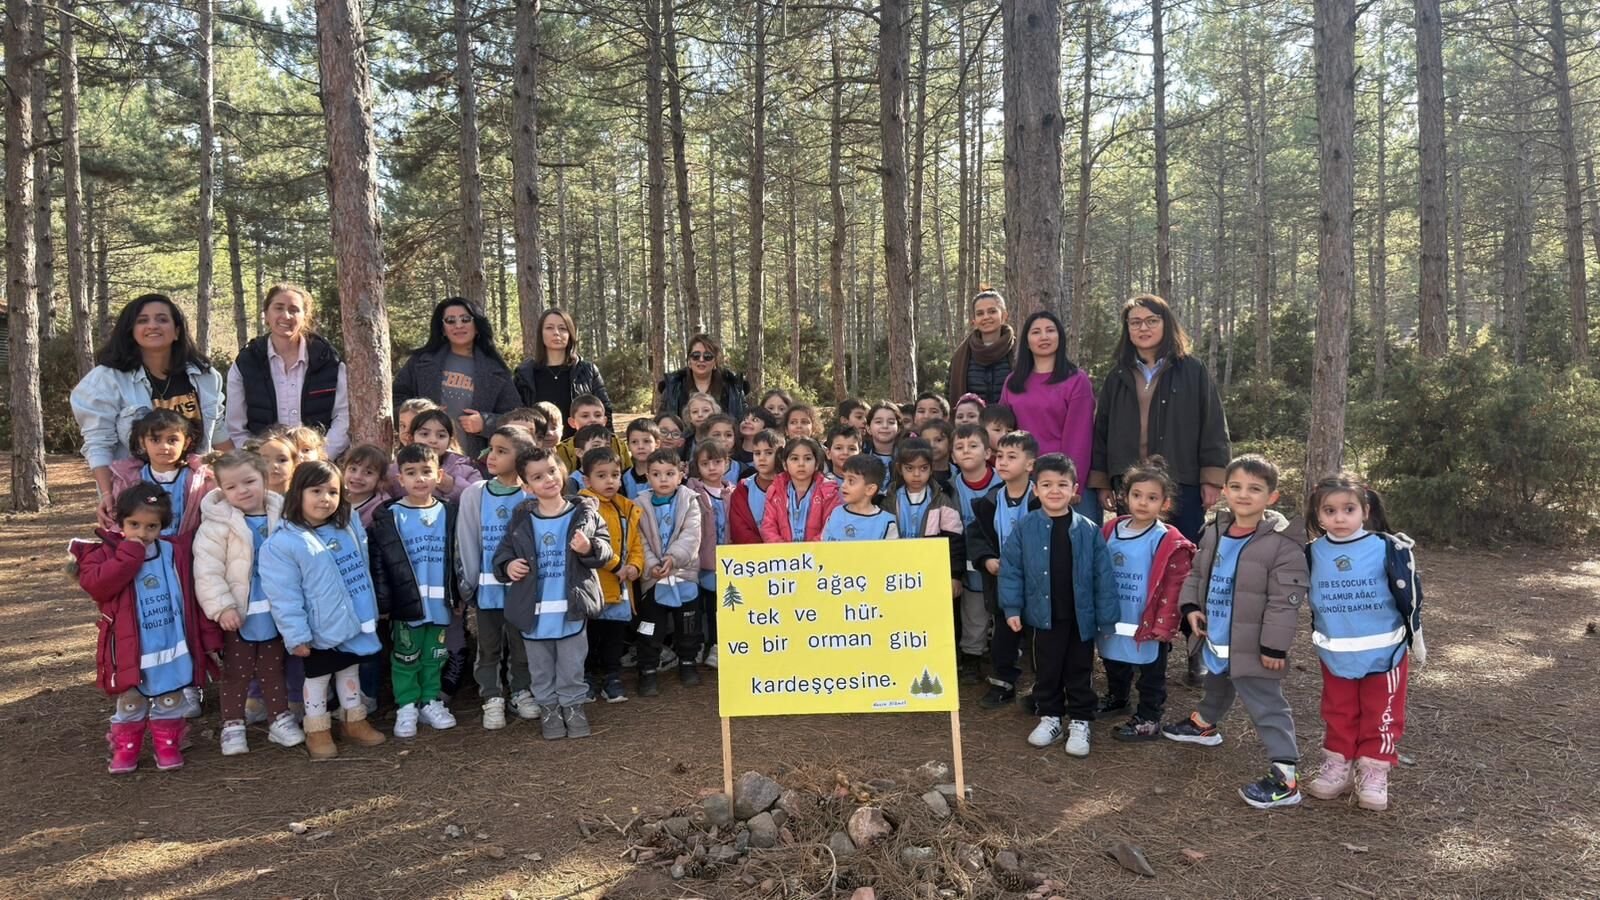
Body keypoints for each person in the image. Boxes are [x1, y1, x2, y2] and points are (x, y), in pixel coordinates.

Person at [1162, 454, 1308, 810]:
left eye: (1255, 489)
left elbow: (1283, 603)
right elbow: (1197, 574)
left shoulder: (1282, 543)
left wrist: (1273, 647)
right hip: (1218, 633)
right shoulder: (1215, 530)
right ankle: (1204, 724)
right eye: (1237, 487)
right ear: (1225, 490)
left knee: (1266, 704)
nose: (1245, 495)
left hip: (1254, 642)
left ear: (1271, 497)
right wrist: (1192, 607)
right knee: (1218, 677)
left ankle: (1286, 775)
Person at [73, 483, 223, 773]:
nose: (143, 532)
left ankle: (167, 743)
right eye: (134, 524)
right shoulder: (104, 554)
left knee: (170, 697)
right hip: (131, 649)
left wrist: (208, 638)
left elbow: (193, 598)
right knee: (131, 701)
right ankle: (125, 749)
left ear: (162, 526)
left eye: (151, 526)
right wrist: (128, 556)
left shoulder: (173, 552)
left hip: (171, 645)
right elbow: (97, 587)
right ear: (121, 522)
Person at [1302, 474, 1424, 812]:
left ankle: (1373, 770)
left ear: (1365, 510)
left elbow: (1410, 594)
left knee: (1381, 714)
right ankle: (1338, 768)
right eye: (1329, 510)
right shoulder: (1310, 554)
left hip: (1385, 655)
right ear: (1318, 514)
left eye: (1348, 509)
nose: (1339, 518)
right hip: (1336, 654)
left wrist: (1416, 637)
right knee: (1338, 712)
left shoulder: (1387, 547)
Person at [259, 461, 389, 760]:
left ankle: (353, 720)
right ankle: (317, 728)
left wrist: (371, 608)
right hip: (319, 625)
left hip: (354, 619)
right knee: (318, 678)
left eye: (332, 491)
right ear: (297, 494)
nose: (325, 499)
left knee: (349, 668)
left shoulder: (346, 526)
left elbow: (363, 568)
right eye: (316, 491)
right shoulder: (283, 544)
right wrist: (297, 635)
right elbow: (284, 596)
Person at [73, 293, 232, 523]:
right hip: (137, 498)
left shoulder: (205, 376)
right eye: (142, 320)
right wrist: (107, 495)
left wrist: (241, 474)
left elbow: (218, 432)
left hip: (195, 494)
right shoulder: (106, 380)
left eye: (162, 319)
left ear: (177, 330)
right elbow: (98, 444)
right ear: (130, 330)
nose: (153, 326)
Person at [998, 454, 1116, 759]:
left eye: (1062, 484)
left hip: (1080, 616)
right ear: (1035, 489)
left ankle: (1080, 720)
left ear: (1074, 489)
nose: (1054, 491)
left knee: (1080, 668)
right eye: (1047, 484)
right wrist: (1012, 608)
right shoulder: (1025, 528)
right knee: (1046, 669)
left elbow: (1103, 574)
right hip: (1042, 616)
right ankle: (1049, 716)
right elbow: (1012, 570)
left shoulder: (1089, 529)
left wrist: (1106, 616)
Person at [1089, 294, 1229, 544]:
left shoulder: (1192, 370)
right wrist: (1103, 481)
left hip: (1181, 479)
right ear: (1127, 329)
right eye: (1135, 322)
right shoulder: (1117, 375)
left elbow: (1213, 424)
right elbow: (1102, 430)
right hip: (1131, 484)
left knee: (1181, 552)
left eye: (1152, 321)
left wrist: (1211, 479)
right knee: (1136, 551)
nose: (1143, 328)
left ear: (1166, 324)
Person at [494, 446, 613, 739]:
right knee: (541, 668)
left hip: (571, 609)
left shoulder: (584, 513)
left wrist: (589, 548)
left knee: (572, 665)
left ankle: (573, 707)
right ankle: (548, 709)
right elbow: (501, 555)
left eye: (551, 470)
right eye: (537, 476)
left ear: (561, 470)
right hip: (534, 614)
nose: (548, 479)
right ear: (526, 485)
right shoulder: (521, 520)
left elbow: (606, 550)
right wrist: (509, 566)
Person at [193, 451, 305, 756]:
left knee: (273, 668)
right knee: (237, 672)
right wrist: (223, 607)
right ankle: (232, 725)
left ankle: (279, 720)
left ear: (265, 480)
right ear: (221, 490)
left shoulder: (284, 517)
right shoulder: (216, 526)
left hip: (274, 611)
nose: (241, 491)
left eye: (249, 482)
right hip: (239, 614)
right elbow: (207, 570)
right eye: (231, 487)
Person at [1097, 458, 1196, 743]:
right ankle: (1118, 697)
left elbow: (1176, 584)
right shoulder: (1110, 530)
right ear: (1124, 497)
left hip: (1150, 619)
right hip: (1116, 614)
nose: (1143, 503)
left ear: (1164, 504)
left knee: (1151, 672)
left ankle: (1149, 717)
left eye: (1152, 498)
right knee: (1113, 658)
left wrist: (1166, 623)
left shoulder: (1167, 540)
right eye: (1137, 495)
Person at [369, 445, 461, 739]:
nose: (419, 479)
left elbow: (457, 558)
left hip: (440, 604)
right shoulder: (391, 515)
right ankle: (406, 704)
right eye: (411, 473)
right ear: (400, 478)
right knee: (406, 655)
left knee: (435, 654)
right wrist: (384, 601)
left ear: (439, 475)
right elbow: (382, 563)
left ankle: (430, 701)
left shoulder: (448, 512)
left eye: (426, 472)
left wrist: (457, 595)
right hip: (407, 604)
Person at [457, 426, 542, 730]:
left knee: (522, 644)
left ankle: (520, 690)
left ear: (521, 458)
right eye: (491, 449)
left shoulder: (530, 493)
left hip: (522, 590)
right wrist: (469, 584)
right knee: (489, 647)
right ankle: (491, 697)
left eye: (502, 451)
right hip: (487, 590)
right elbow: (466, 540)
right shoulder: (475, 493)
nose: (491, 456)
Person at [226, 283, 351, 460]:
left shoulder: (327, 360)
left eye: (294, 309)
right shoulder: (247, 361)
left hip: (317, 466)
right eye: (278, 308)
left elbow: (343, 416)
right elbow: (236, 426)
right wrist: (260, 461)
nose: (286, 315)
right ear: (266, 315)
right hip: (265, 466)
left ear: (305, 317)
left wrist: (320, 458)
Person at [393, 297, 521, 460]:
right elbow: (396, 399)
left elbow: (516, 417)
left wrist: (485, 423)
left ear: (477, 326)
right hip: (423, 461)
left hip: (476, 463)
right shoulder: (420, 363)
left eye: (465, 319)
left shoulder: (496, 370)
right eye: (450, 321)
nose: (458, 325)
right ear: (443, 328)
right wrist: (417, 416)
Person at [1001, 310, 1098, 524]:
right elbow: (1003, 431)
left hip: (1065, 478)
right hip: (1025, 479)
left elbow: (1079, 436)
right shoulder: (1013, 382)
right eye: (1036, 332)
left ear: (1060, 337)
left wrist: (1072, 483)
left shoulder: (1076, 380)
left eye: (1050, 331)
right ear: (1026, 341)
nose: (1044, 337)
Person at [971, 431, 1039, 709]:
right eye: (1000, 455)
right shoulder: (990, 501)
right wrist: (987, 559)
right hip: (1003, 582)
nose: (1003, 462)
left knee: (1038, 638)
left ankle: (1043, 688)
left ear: (1030, 465)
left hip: (1037, 584)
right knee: (1003, 635)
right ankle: (1003, 683)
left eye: (1012, 457)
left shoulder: (1042, 498)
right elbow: (976, 536)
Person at [579, 446, 644, 704]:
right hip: (594, 587)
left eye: (615, 475)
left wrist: (635, 567)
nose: (610, 481)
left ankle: (612, 677)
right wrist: (618, 565)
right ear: (587, 480)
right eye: (602, 475)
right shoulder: (584, 508)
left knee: (614, 636)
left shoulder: (626, 508)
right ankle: (588, 678)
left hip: (620, 589)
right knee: (591, 636)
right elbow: (591, 547)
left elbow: (635, 544)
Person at [636, 449, 705, 694]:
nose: (663, 479)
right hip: (653, 577)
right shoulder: (639, 504)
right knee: (650, 626)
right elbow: (638, 539)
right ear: (648, 476)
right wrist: (652, 563)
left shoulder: (690, 501)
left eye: (669, 473)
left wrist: (673, 558)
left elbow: (692, 535)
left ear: (681, 474)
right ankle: (647, 669)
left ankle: (687, 662)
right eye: (656, 474)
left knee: (688, 625)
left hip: (684, 574)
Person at [879, 438, 965, 601]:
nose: (917, 474)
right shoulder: (888, 500)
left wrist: (955, 576)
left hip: (932, 572)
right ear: (900, 468)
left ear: (931, 469)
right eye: (910, 468)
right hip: (897, 573)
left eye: (923, 468)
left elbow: (956, 542)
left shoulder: (941, 500)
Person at [103, 408, 213, 535]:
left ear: (186, 443)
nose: (164, 446)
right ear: (143, 442)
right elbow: (120, 520)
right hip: (143, 550)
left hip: (187, 549)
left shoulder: (198, 479)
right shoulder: (130, 479)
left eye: (172, 440)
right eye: (155, 440)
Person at [950, 424, 998, 682]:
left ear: (988, 452)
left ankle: (1006, 659)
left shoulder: (1004, 481)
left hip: (1000, 560)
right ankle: (971, 657)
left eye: (973, 446)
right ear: (952, 456)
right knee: (974, 611)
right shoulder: (949, 487)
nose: (966, 451)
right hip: (968, 562)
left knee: (1003, 611)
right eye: (959, 447)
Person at [513, 307, 615, 427]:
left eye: (562, 328)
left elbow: (605, 411)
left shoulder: (588, 371)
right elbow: (515, 417)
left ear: (570, 334)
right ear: (541, 333)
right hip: (538, 444)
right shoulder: (525, 374)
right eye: (549, 328)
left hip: (580, 444)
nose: (556, 333)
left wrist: (605, 442)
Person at [688, 442, 736, 669]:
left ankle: (718, 645)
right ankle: (699, 645)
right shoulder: (692, 492)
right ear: (697, 466)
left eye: (717, 462)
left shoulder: (733, 492)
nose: (712, 468)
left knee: (721, 606)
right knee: (702, 607)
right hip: (701, 561)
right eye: (705, 463)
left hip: (727, 561)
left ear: (727, 463)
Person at [760, 437, 840, 543]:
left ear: (816, 464)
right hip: (784, 556)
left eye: (807, 459)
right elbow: (768, 528)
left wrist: (810, 550)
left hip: (818, 554)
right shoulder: (775, 491)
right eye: (794, 459)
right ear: (785, 465)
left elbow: (830, 527)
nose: (801, 464)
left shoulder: (828, 492)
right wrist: (785, 551)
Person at [946, 290, 1017, 406]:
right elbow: (949, 394)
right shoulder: (961, 355)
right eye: (980, 313)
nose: (986, 317)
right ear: (973, 320)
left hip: (1010, 422)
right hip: (970, 423)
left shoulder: (1019, 351)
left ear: (1004, 316)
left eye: (992, 311)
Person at [656, 333, 751, 420]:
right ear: (689, 360)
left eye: (708, 356)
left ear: (715, 362)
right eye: (696, 355)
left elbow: (743, 421)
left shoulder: (733, 388)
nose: (701, 360)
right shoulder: (673, 387)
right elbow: (661, 422)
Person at [400, 409, 483, 502]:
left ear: (449, 441)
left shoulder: (466, 470)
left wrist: (453, 486)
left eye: (441, 436)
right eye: (424, 434)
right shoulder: (397, 470)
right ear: (411, 438)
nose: (433, 440)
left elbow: (479, 500)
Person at [822, 455, 898, 541]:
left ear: (870, 489)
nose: (843, 485)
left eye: (851, 481)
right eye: (844, 479)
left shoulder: (887, 523)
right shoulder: (835, 513)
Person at [729, 429, 782, 544]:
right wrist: (759, 549)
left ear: (780, 454)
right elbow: (739, 528)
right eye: (757, 453)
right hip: (754, 556)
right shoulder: (744, 488)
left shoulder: (791, 486)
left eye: (768, 453)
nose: (762, 458)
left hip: (788, 554)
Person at [554, 394, 629, 476]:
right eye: (585, 416)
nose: (592, 420)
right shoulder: (562, 450)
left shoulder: (618, 444)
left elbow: (628, 474)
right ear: (572, 422)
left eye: (598, 415)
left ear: (604, 421)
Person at [342, 443, 394, 529]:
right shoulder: (337, 497)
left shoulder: (383, 509)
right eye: (353, 469)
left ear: (380, 479)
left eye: (368, 472)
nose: (357, 477)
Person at [865, 401, 903, 490]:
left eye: (891, 422)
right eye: (878, 422)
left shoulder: (906, 457)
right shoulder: (861, 456)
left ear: (899, 429)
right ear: (868, 428)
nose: (885, 426)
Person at [623, 418, 662, 501]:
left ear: (657, 444)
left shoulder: (665, 475)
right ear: (628, 446)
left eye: (646, 441)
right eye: (634, 442)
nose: (640, 446)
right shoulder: (623, 478)